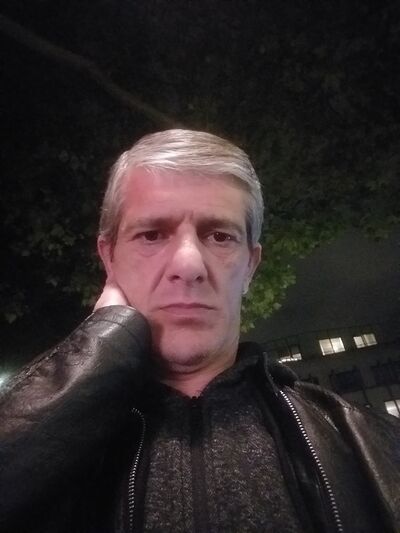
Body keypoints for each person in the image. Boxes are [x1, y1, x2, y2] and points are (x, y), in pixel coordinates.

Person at [0, 129, 399, 533]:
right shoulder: (57, 446)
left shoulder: (376, 446)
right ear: (109, 259)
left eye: (220, 236)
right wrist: (98, 346)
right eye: (152, 235)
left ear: (250, 266)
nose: (188, 265)